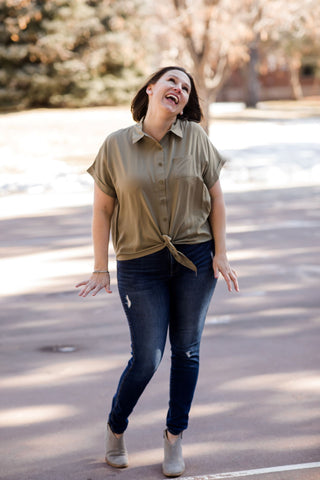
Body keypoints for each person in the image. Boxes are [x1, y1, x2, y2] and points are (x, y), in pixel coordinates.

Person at [76, 66, 239, 477]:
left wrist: (221, 253)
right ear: (151, 88)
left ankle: (174, 436)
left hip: (195, 260)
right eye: (172, 81)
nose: (179, 90)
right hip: (139, 264)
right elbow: (102, 209)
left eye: (186, 87)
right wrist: (100, 267)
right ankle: (116, 426)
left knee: (187, 352)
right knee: (147, 357)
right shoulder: (115, 146)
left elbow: (216, 200)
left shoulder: (197, 139)